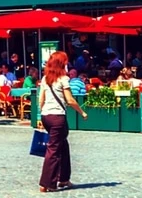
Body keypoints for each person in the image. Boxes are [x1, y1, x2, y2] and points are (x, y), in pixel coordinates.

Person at [38, 51, 87, 193]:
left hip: (46, 116)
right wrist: (82, 112)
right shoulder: (63, 79)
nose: (67, 63)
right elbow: (70, 100)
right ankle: (46, 183)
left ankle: (64, 178)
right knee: (53, 150)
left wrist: (40, 115)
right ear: (61, 63)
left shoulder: (45, 78)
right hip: (57, 117)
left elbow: (41, 99)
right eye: (65, 61)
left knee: (63, 145)